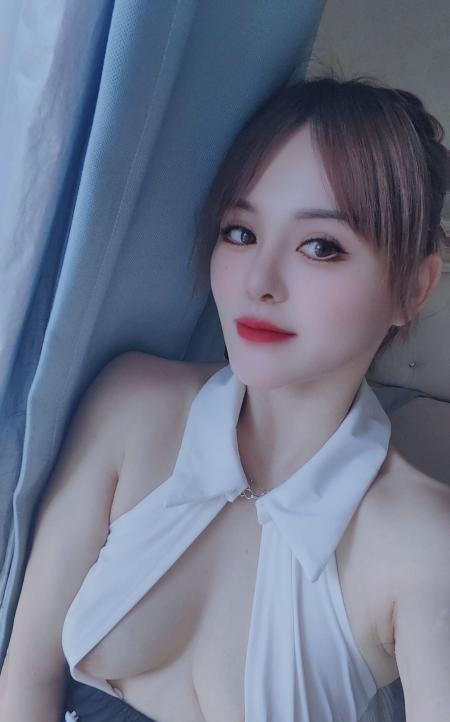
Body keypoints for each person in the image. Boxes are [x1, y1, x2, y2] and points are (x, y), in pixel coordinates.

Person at [0, 72, 448, 722]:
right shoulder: (133, 406)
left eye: (320, 246)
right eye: (240, 232)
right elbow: (24, 683)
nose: (259, 281)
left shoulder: (421, 541)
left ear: (412, 288)